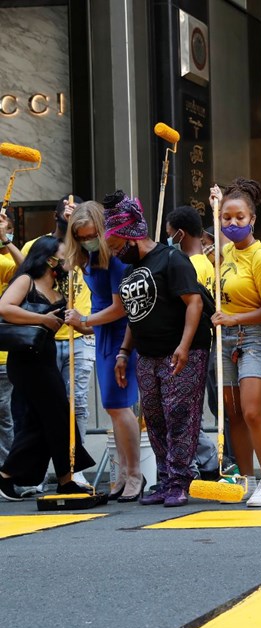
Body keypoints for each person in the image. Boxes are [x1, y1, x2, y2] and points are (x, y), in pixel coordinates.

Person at [105, 193, 212, 508]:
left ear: (132, 237)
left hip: (182, 352)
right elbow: (134, 314)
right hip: (147, 355)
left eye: (115, 246)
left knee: (179, 414)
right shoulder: (128, 272)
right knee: (154, 416)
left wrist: (183, 345)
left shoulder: (171, 259)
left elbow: (193, 302)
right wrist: (124, 352)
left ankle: (181, 481)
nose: (114, 254)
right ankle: (165, 480)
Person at [0, 236, 95, 500]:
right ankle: (65, 478)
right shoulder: (25, 281)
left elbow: (78, 321)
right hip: (26, 360)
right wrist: (42, 318)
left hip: (46, 357)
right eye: (63, 255)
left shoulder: (60, 288)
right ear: (48, 258)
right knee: (58, 417)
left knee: (42, 422)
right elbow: (4, 308)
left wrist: (92, 325)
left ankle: (8, 474)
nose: (67, 261)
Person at [62, 201, 144, 502]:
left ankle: (134, 472)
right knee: (114, 408)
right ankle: (123, 471)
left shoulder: (116, 260)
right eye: (81, 236)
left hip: (121, 334)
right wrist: (88, 324)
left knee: (120, 407)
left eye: (91, 234)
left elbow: (120, 307)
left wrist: (85, 320)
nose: (87, 240)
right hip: (103, 332)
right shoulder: (90, 256)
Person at [208, 179, 261, 507]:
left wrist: (234, 320)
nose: (232, 223)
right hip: (224, 339)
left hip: (254, 337)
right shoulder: (224, 252)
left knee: (253, 411)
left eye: (239, 217)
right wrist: (215, 203)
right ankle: (248, 479)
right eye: (226, 218)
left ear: (252, 218)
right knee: (234, 414)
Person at [22, 196, 97, 477]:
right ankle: (39, 470)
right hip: (46, 341)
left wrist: (76, 228)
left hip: (81, 338)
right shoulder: (39, 246)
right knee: (47, 407)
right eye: (67, 213)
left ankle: (74, 467)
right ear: (56, 215)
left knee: (76, 404)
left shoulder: (85, 246)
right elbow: (24, 270)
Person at [164, 205, 222, 480]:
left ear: (179, 233)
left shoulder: (188, 265)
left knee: (184, 409)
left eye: (169, 234)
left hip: (193, 345)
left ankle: (207, 460)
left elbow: (191, 305)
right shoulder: (205, 262)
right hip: (203, 342)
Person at [0, 212, 23, 467]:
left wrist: (5, 240)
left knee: (5, 416)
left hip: (3, 355)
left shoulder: (3, 262)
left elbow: (25, 267)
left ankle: (10, 472)